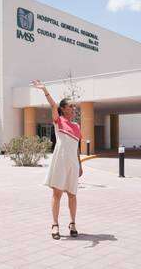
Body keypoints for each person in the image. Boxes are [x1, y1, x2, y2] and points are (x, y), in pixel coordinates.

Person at [31, 80, 83, 240]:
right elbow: (53, 106)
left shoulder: (77, 126)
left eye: (74, 107)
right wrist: (45, 90)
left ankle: (73, 223)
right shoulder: (58, 121)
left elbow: (77, 148)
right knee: (57, 194)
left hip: (73, 165)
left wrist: (80, 165)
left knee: (73, 195)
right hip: (60, 163)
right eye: (70, 106)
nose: (73, 109)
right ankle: (55, 225)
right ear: (63, 109)